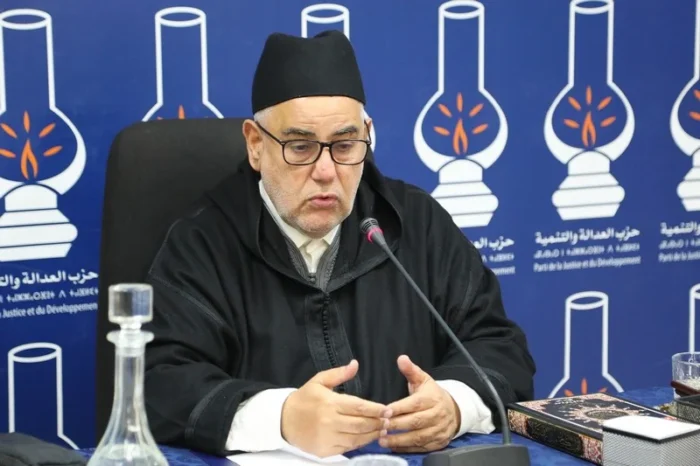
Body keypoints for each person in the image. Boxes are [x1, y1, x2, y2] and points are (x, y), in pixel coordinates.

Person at [143, 30, 536, 459]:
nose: (327, 171)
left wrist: (455, 404)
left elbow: (500, 346)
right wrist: (281, 418)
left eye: (345, 146)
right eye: (300, 147)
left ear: (367, 135)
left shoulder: (415, 222)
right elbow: (161, 384)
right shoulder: (202, 244)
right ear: (256, 145)